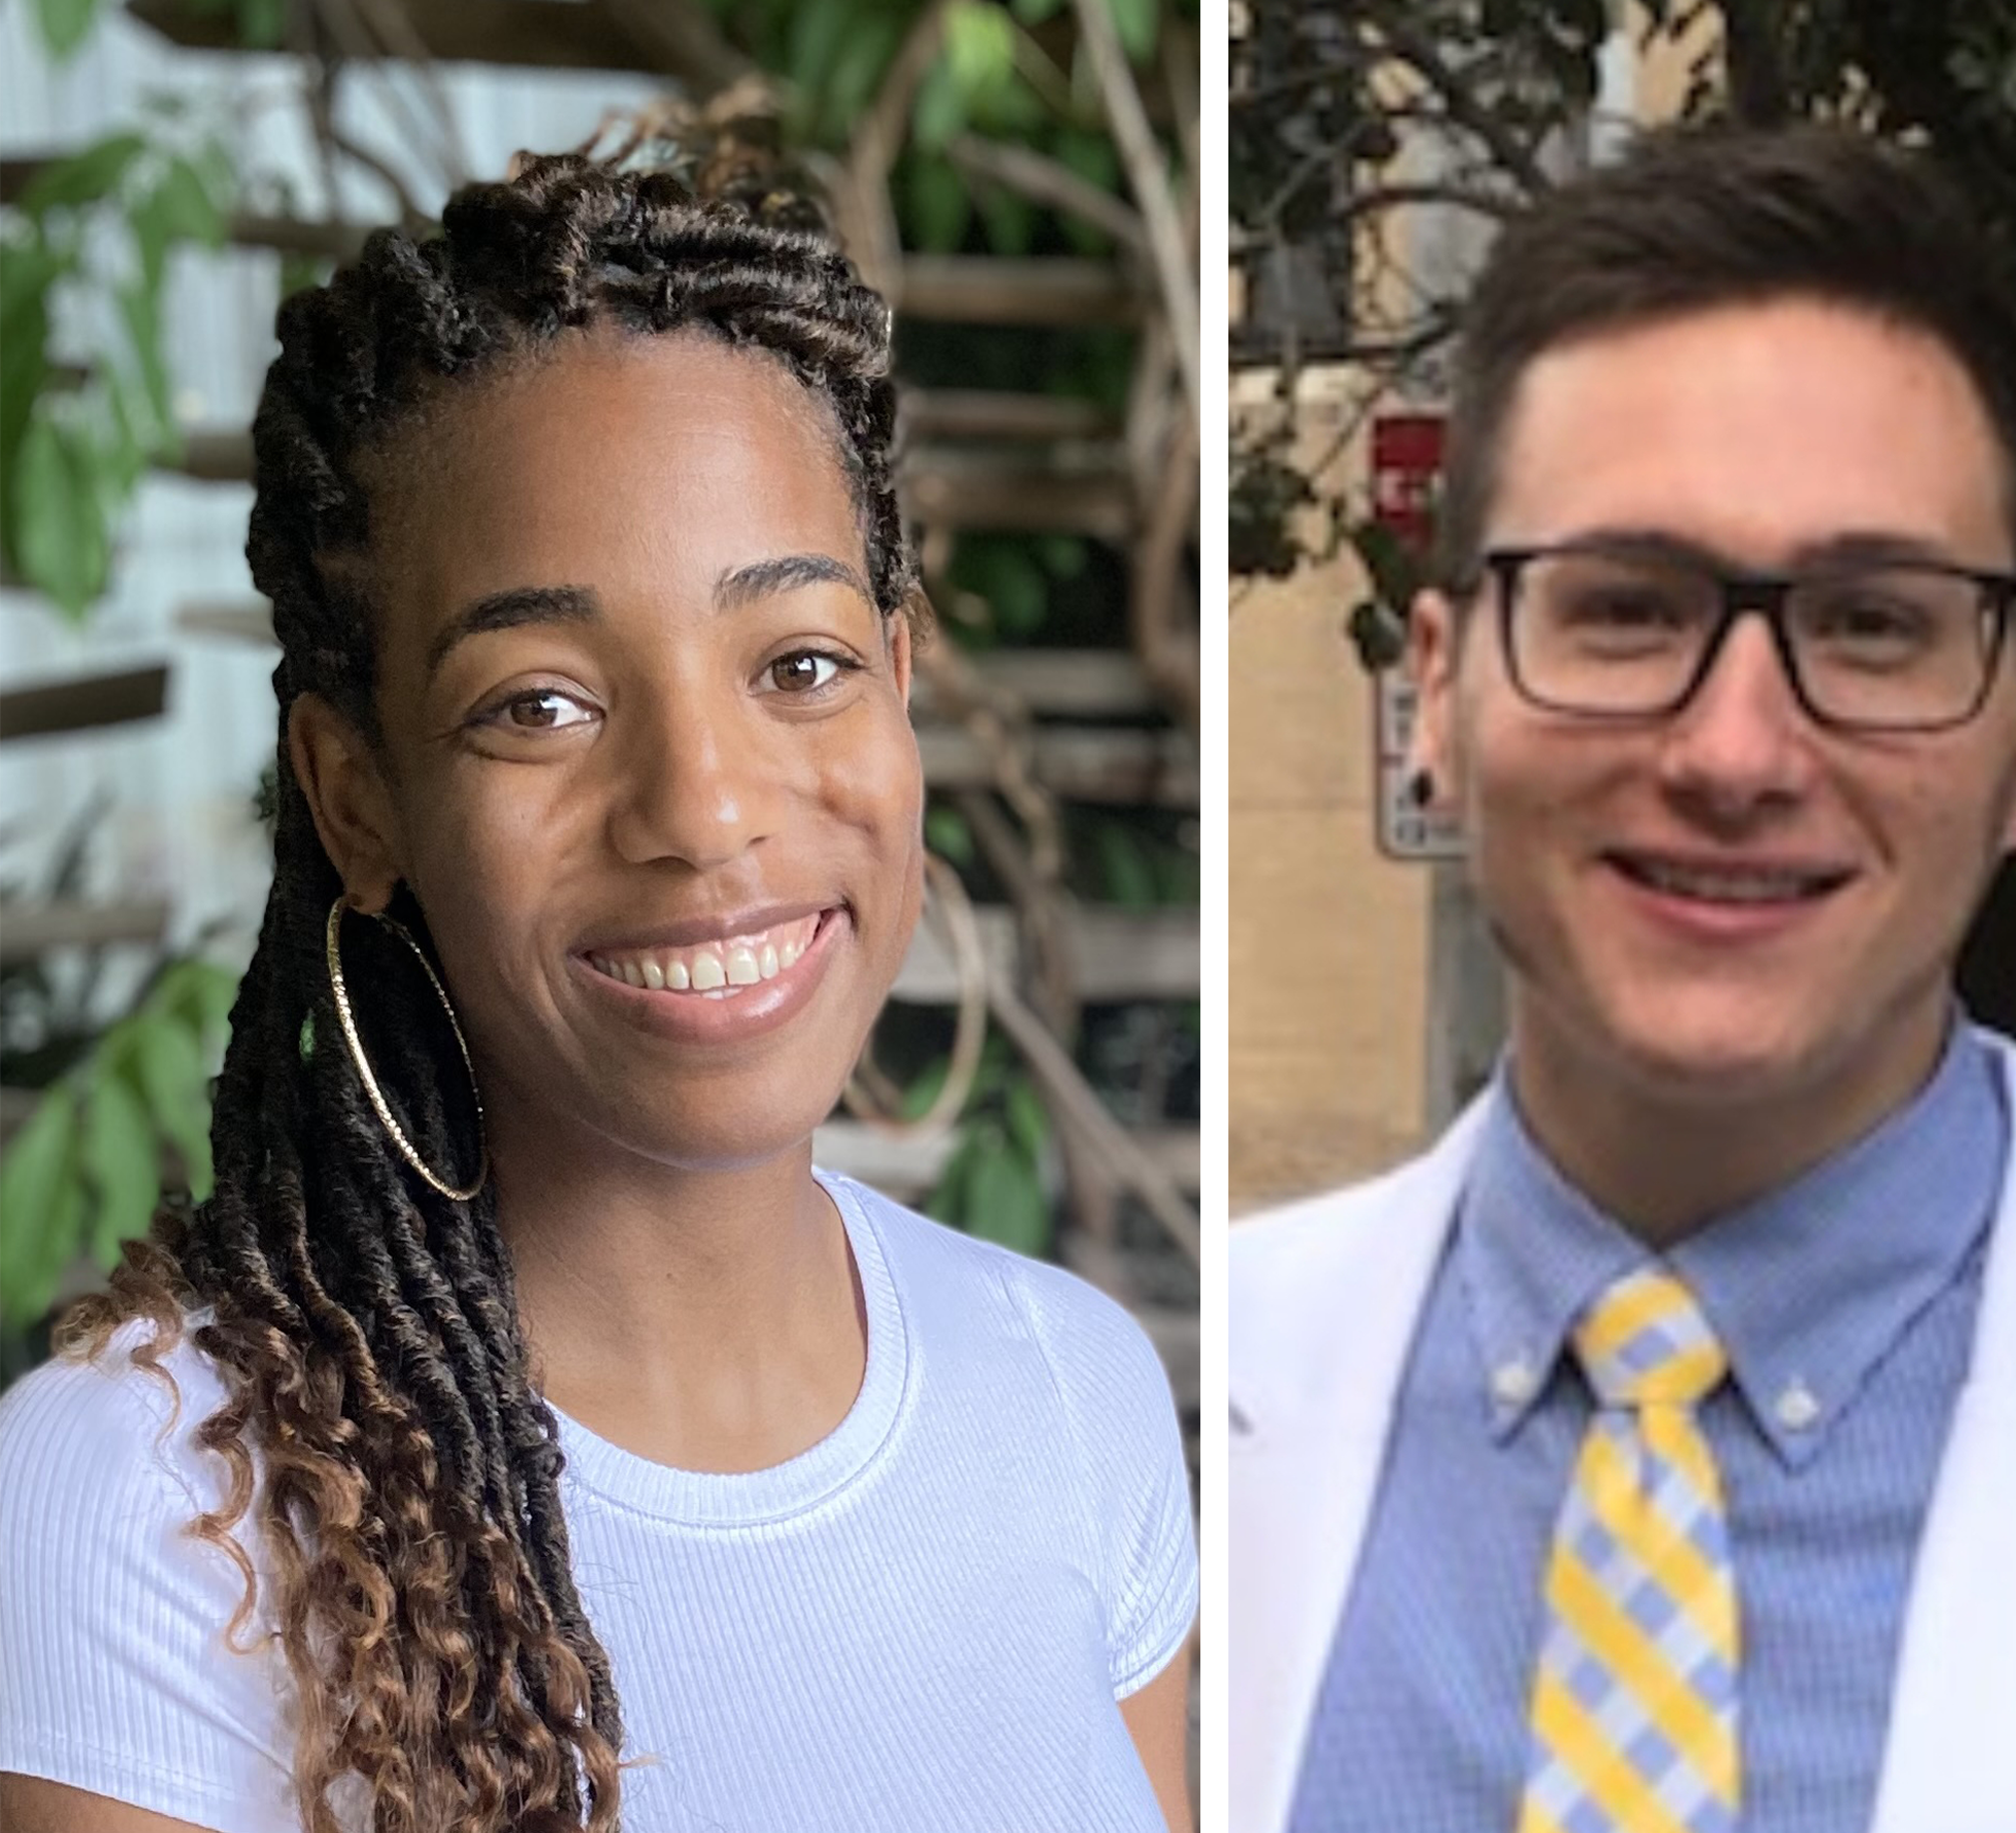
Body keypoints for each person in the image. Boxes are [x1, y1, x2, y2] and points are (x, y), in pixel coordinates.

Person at [1231, 120, 2016, 1833]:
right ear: (1440, 693)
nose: (1736, 749)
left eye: (1873, 621)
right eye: (1626, 607)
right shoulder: (1174, 1444)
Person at [0, 156, 1195, 1833]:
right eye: (540, 705)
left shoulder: (1074, 1389)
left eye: (800, 664)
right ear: (358, 798)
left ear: (901, 686)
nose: (704, 810)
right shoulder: (145, 1503)